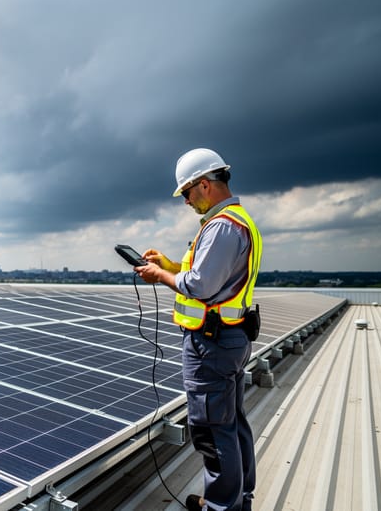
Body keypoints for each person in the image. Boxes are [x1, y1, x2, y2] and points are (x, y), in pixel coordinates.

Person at [135, 147, 262, 511]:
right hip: (228, 338)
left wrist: (160, 275)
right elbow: (211, 278)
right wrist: (170, 264)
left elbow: (201, 286)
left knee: (211, 430)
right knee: (231, 424)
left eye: (187, 193)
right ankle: (237, 500)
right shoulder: (236, 221)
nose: (186, 202)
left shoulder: (221, 226)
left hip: (212, 343)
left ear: (204, 185)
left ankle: (222, 507)